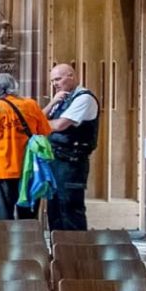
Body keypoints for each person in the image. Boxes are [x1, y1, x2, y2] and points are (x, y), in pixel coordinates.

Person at [0, 72, 48, 221]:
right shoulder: (31, 105)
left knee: (3, 219)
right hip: (29, 170)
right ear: (14, 87)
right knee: (28, 219)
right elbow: (43, 133)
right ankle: (27, 244)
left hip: (2, 170)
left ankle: (6, 244)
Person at [45, 61, 100, 230]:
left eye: (58, 79)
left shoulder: (84, 98)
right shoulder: (61, 99)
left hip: (72, 162)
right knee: (54, 210)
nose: (55, 84)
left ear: (72, 76)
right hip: (55, 160)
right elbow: (38, 119)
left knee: (69, 209)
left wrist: (41, 125)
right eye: (52, 81)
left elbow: (60, 125)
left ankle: (76, 252)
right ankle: (58, 252)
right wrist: (52, 103)